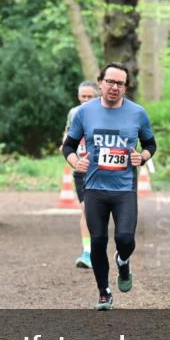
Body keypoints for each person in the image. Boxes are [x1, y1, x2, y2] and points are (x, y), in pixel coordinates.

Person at [62, 63, 157, 310]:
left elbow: (150, 144)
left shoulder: (137, 113)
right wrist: (76, 162)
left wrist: (142, 157)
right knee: (98, 241)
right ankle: (104, 292)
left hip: (124, 188)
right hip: (94, 187)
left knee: (125, 238)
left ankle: (123, 262)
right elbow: (68, 146)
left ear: (125, 87)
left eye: (120, 83)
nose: (114, 87)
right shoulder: (85, 112)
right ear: (101, 83)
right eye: (110, 82)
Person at [60, 80, 101, 269]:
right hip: (82, 169)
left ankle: (104, 248)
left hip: (103, 169)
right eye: (83, 96)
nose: (85, 100)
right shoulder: (74, 113)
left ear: (98, 96)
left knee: (103, 212)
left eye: (90, 97)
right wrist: (68, 150)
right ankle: (87, 252)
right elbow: (68, 137)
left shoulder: (105, 113)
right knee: (86, 209)